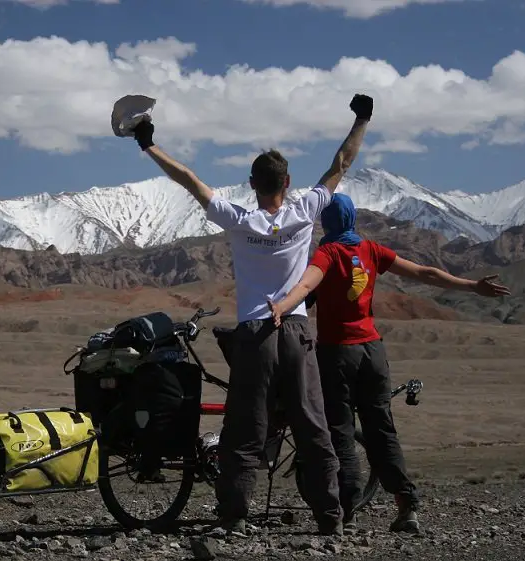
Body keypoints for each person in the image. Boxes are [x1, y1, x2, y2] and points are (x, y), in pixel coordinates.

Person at [121, 93, 375, 536]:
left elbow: (189, 179)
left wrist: (147, 144)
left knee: (245, 429)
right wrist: (362, 120)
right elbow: (341, 164)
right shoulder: (306, 209)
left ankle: (234, 516)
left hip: (255, 335)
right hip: (296, 330)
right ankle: (330, 518)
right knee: (312, 424)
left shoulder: (239, 219)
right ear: (288, 182)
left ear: (252, 184)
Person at [267, 192, 511, 534]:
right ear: (351, 218)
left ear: (327, 222)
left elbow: (307, 283)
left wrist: (282, 305)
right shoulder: (370, 250)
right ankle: (406, 504)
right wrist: (471, 285)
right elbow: (424, 272)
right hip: (373, 353)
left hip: (338, 355)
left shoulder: (329, 252)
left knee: (341, 432)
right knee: (382, 430)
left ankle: (346, 512)